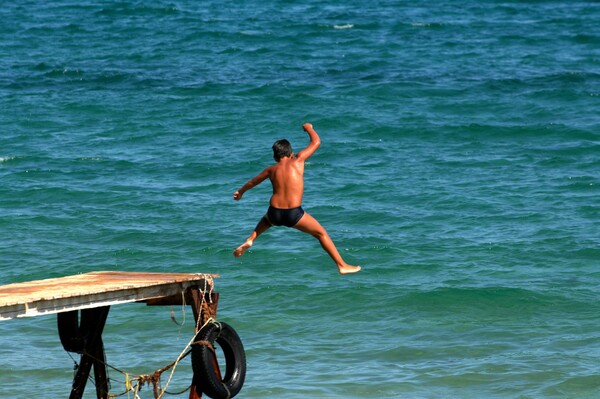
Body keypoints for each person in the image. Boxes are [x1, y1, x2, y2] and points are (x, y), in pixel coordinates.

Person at [232, 123, 361, 275]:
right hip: (293, 213)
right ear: (291, 154)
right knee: (321, 234)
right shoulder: (298, 160)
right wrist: (308, 128)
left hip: (274, 212)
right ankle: (341, 265)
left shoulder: (271, 169)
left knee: (267, 220)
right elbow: (316, 142)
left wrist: (241, 192)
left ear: (275, 157)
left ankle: (251, 238)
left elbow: (253, 182)